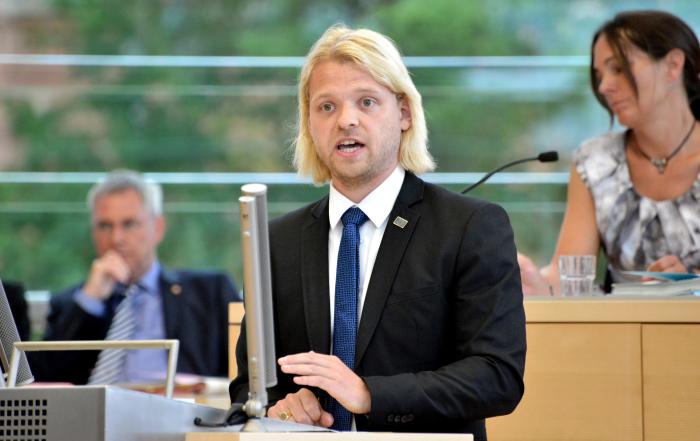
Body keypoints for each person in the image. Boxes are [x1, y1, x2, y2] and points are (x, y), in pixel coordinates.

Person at [229, 25, 525, 439]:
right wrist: (282, 408)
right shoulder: (276, 242)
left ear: (404, 113)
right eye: (326, 107)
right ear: (309, 124)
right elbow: (249, 388)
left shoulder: (471, 227)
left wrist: (371, 394)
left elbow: (497, 376)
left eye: (366, 102)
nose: (346, 120)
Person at [519, 10, 700, 295]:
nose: (604, 87)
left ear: (673, 65)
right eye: (599, 75)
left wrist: (690, 285)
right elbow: (566, 277)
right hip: (620, 336)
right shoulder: (595, 161)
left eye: (618, 68)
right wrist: (531, 280)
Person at [29, 170, 240, 384]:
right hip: (95, 415)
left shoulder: (209, 293)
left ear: (158, 228)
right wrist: (90, 300)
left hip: (182, 411)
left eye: (129, 224)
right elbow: (45, 384)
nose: (116, 238)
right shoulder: (73, 304)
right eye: (105, 226)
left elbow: (245, 374)